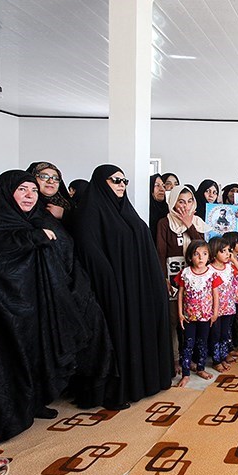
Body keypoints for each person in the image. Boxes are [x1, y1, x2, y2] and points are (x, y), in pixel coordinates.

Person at [0, 170, 94, 450]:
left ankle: (31, 405)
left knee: (34, 353)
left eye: (33, 190)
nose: (30, 195)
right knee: (3, 360)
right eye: (22, 189)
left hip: (32, 303)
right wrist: (32, 238)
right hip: (0, 307)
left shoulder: (28, 219)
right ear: (6, 191)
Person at [71, 164, 173, 411]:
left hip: (136, 287)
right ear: (100, 182)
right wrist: (113, 285)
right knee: (117, 334)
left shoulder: (126, 210)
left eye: (124, 181)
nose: (121, 185)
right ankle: (117, 388)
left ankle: (144, 381)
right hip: (112, 289)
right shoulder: (89, 212)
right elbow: (90, 253)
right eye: (115, 180)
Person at [27, 161, 117, 409]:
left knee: (90, 330)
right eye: (43, 176)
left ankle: (85, 388)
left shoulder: (65, 206)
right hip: (45, 286)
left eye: (55, 178)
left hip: (74, 279)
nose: (50, 182)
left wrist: (66, 215)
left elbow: (85, 234)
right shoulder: (26, 209)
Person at [156, 185, 210, 374]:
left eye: (189, 201)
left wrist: (189, 225)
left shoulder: (197, 222)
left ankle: (192, 358)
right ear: (173, 202)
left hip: (195, 279)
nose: (185, 206)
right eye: (181, 201)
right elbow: (160, 253)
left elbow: (203, 248)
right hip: (173, 277)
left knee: (192, 320)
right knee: (174, 319)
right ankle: (175, 358)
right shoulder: (164, 223)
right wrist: (163, 278)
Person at [174, 240, 219, 387]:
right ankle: (186, 373)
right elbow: (180, 294)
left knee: (202, 343)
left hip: (206, 317)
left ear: (209, 256)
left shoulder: (211, 274)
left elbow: (215, 294)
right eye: (196, 254)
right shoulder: (185, 273)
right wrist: (180, 314)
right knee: (188, 344)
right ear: (190, 257)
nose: (201, 258)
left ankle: (201, 368)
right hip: (189, 318)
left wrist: (215, 313)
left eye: (204, 254)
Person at [208, 236, 238, 372]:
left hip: (228, 307)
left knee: (225, 334)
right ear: (214, 252)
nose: (226, 254)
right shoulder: (209, 269)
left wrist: (233, 260)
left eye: (228, 250)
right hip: (215, 309)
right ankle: (216, 360)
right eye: (223, 251)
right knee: (215, 335)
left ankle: (223, 357)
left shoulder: (229, 267)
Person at [149, 174, 170, 240]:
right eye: (157, 185)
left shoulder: (168, 211)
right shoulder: (146, 211)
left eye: (163, 186)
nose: (162, 189)